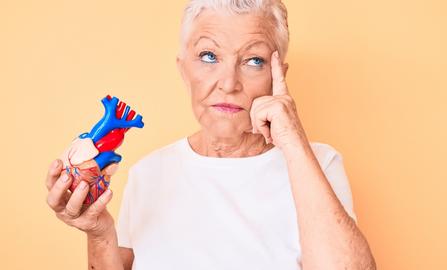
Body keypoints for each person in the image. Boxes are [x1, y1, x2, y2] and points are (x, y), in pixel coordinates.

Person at [45, 0, 376, 269]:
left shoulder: (317, 164)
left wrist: (293, 141)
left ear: (278, 76)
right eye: (208, 56)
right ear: (183, 70)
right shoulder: (148, 174)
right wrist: (100, 234)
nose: (229, 83)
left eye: (254, 60)